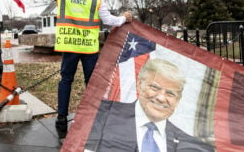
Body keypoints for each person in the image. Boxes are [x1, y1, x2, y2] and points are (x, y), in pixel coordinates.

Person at [16, 0, 132, 136]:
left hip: (69, 45)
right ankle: (93, 117)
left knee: (66, 81)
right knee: (91, 84)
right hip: (89, 48)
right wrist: (124, 18)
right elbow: (110, 21)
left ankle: (61, 119)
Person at [85, 58, 215, 152]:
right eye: (154, 87)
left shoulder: (195, 147)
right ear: (139, 84)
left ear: (178, 100)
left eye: (170, 93)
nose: (160, 98)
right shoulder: (100, 116)